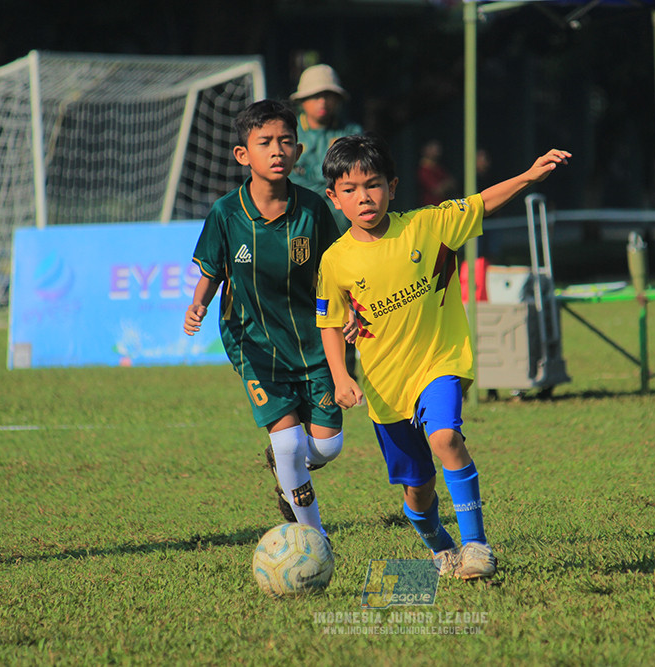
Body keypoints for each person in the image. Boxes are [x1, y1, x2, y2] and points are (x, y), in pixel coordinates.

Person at [315, 133, 570, 580]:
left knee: (445, 438)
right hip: (385, 386)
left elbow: (481, 203)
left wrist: (529, 176)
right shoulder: (335, 261)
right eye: (350, 189)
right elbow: (330, 322)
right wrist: (340, 376)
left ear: (392, 187)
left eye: (373, 184)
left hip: (440, 363)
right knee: (418, 488)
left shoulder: (428, 226)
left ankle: (477, 547)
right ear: (334, 198)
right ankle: (441, 546)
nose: (364, 197)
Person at [183, 100, 346, 536]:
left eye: (286, 141)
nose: (277, 150)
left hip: (313, 342)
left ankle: (285, 466)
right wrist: (199, 303)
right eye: (265, 142)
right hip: (254, 342)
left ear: (298, 152)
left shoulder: (313, 209)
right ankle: (312, 537)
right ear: (243, 154)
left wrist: (350, 311)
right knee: (289, 440)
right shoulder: (226, 213)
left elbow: (338, 270)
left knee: (327, 447)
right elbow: (212, 271)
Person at [290, 64, 363, 235]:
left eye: (328, 95)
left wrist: (306, 173)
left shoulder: (351, 132)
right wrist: (331, 185)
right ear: (302, 100)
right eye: (315, 96)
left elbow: (356, 177)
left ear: (338, 100)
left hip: (343, 222)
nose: (322, 102)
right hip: (300, 216)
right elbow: (288, 180)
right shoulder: (288, 133)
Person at [416, 139, 457, 206]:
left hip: (445, 206)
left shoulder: (439, 167)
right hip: (432, 208)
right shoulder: (423, 170)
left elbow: (453, 183)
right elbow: (437, 191)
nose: (437, 150)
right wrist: (447, 184)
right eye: (432, 148)